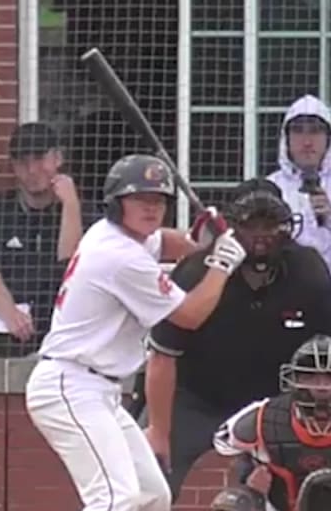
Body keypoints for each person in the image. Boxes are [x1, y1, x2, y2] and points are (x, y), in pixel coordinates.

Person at [24, 153, 247, 511]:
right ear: (116, 203)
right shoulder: (120, 256)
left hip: (99, 389)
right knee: (115, 499)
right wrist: (221, 262)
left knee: (153, 496)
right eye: (140, 199)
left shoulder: (119, 234)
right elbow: (189, 316)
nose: (151, 208)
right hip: (70, 385)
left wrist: (199, 242)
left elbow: (165, 241)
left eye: (158, 200)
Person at [141, 177, 331, 503]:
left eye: (270, 225)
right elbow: (162, 356)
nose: (261, 237)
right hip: (195, 398)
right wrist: (159, 432)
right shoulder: (195, 272)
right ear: (230, 229)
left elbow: (325, 355)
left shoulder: (308, 270)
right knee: (145, 481)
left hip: (275, 403)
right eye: (251, 225)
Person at [0, 121, 93, 357]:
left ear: (57, 159)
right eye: (22, 162)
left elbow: (71, 267)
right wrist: (11, 315)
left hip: (64, 322)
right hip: (9, 325)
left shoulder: (83, 212)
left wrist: (70, 205)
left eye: (39, 159)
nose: (32, 170)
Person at [211, 334, 331, 511]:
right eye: (310, 376)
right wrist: (249, 478)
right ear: (295, 380)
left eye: (330, 377)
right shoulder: (262, 416)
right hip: (279, 506)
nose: (321, 387)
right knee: (233, 502)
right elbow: (222, 444)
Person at [267, 94, 331, 270]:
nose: (307, 142)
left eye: (315, 131)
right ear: (286, 138)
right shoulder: (271, 188)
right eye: (298, 131)